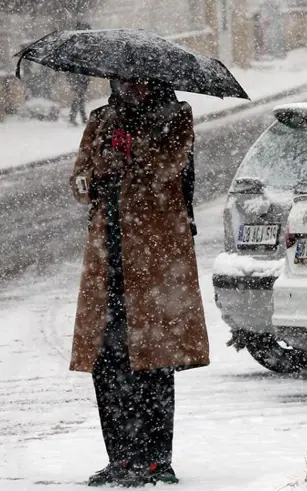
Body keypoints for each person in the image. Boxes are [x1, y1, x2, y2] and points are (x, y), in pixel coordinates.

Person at [68, 78, 210, 488]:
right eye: (123, 80)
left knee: (152, 362)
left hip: (154, 261)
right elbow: (78, 184)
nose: (130, 87)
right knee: (107, 363)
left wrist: (131, 157)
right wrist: (97, 172)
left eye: (138, 80)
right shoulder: (100, 120)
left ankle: (155, 460)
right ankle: (120, 457)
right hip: (107, 263)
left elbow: (168, 169)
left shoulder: (174, 118)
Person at [67, 22, 92, 125]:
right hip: (77, 75)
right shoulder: (77, 43)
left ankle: (80, 117)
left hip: (81, 76)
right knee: (78, 97)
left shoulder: (81, 43)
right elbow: (74, 59)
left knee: (80, 97)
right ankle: (76, 117)